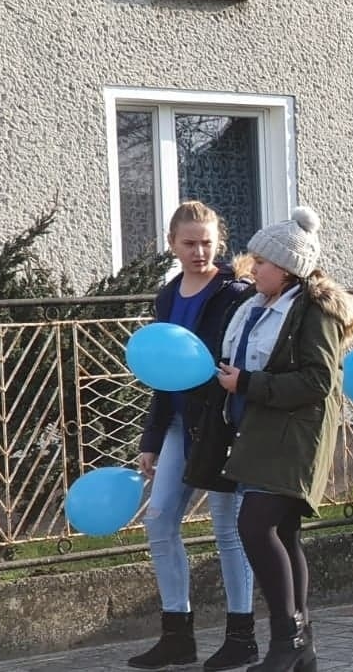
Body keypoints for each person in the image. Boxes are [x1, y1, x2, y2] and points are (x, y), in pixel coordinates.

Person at [215, 207, 353, 671]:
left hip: (293, 438)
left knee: (255, 527)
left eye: (261, 260)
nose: (252, 267)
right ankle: (301, 647)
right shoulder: (260, 306)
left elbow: (318, 380)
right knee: (281, 531)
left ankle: (287, 641)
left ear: (287, 268)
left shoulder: (313, 310)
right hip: (263, 432)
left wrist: (248, 385)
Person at [129, 201, 257, 671]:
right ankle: (177, 636)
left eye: (207, 241)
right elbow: (164, 368)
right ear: (172, 245)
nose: (200, 251)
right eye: (190, 243)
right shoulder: (167, 296)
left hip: (222, 427)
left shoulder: (235, 292)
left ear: (218, 241)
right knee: (159, 522)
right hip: (181, 426)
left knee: (229, 530)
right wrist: (151, 438)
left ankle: (241, 637)